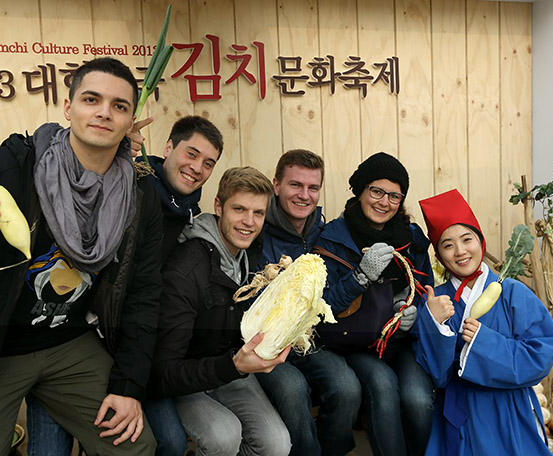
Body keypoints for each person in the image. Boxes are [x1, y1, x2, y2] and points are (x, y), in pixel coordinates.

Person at [0, 57, 161, 455]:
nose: (103, 112)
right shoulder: (1, 168)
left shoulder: (138, 198)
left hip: (70, 342)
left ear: (130, 120)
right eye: (91, 99)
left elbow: (145, 295)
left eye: (119, 105)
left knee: (133, 446)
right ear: (68, 107)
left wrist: (129, 388)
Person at [26, 115, 224, 456]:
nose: (197, 168)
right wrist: (116, 150)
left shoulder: (190, 216)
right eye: (191, 154)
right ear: (168, 148)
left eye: (208, 163)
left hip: (132, 341)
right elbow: (69, 170)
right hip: (70, 330)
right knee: (50, 446)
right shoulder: (126, 181)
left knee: (169, 442)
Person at [150, 167, 292, 456]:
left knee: (277, 445)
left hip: (227, 365)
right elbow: (163, 372)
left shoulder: (250, 250)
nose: (249, 222)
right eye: (239, 209)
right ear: (218, 207)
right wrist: (236, 366)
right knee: (224, 437)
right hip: (185, 377)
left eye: (258, 213)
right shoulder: (186, 270)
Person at [416, 188, 553, 455]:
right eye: (447, 245)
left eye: (466, 239)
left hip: (510, 410)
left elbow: (542, 355)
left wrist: (484, 343)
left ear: (480, 241)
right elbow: (437, 375)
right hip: (460, 412)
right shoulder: (438, 302)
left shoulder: (513, 292)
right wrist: (434, 325)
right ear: (438, 256)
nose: (460, 251)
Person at [313, 152, 435, 456]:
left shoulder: (411, 238)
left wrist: (414, 313)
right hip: (356, 344)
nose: (384, 202)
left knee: (419, 400)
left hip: (402, 343)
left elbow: (426, 289)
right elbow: (322, 307)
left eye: (394, 196)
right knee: (382, 385)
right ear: (360, 191)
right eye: (376, 191)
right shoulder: (333, 238)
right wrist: (359, 278)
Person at [254, 149, 362, 456]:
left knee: (346, 387)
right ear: (276, 185)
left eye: (312, 187)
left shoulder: (325, 231)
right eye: (295, 185)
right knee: (292, 389)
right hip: (265, 343)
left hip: (310, 340)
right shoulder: (257, 228)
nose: (304, 195)